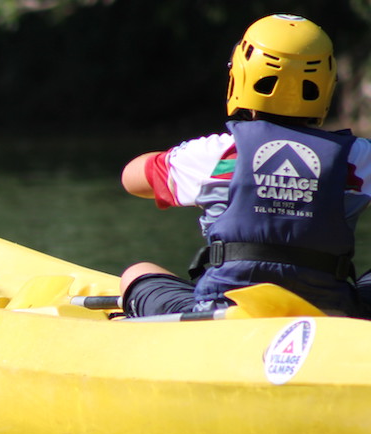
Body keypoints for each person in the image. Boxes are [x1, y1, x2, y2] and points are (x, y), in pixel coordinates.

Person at [119, 13, 371, 318]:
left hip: (224, 314)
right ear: (326, 85)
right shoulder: (357, 157)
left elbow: (131, 178)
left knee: (137, 271)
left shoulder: (215, 154)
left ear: (240, 76)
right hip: (331, 311)